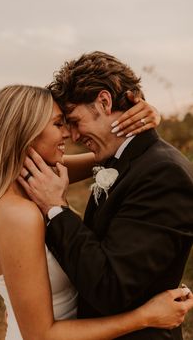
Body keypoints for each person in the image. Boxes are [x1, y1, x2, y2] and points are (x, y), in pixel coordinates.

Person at [0, 85, 192, 340]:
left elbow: (114, 156)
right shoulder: (18, 216)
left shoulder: (29, 182)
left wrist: (132, 130)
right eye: (59, 124)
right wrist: (145, 316)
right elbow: (41, 335)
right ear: (27, 133)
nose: (69, 134)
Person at [18, 52, 193, 340]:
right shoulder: (121, 159)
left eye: (74, 120)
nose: (72, 136)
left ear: (104, 101)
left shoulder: (163, 174)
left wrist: (57, 209)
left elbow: (111, 288)